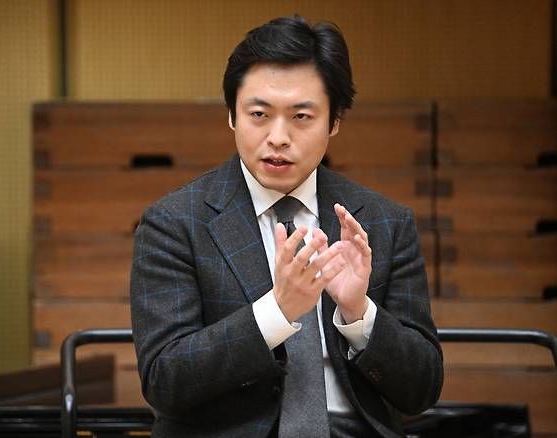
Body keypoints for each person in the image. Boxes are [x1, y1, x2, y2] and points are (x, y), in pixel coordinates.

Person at [130, 15, 443, 438]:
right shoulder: (175, 223)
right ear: (232, 116)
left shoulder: (385, 222)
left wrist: (359, 314)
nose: (278, 137)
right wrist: (275, 313)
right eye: (259, 114)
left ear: (334, 122)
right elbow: (165, 381)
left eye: (301, 117)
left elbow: (422, 389)